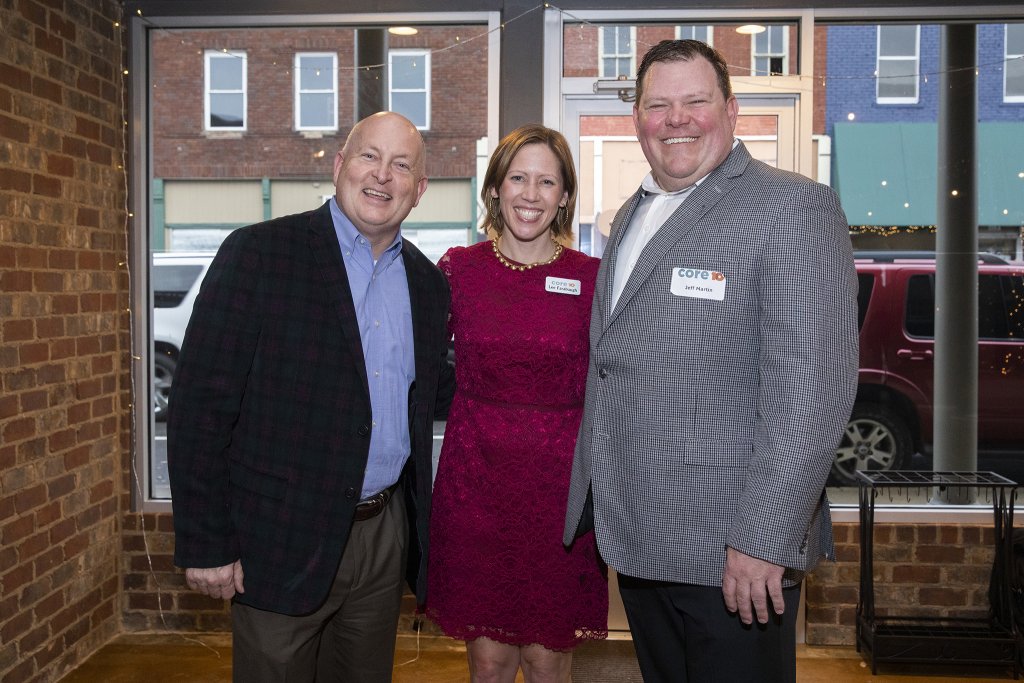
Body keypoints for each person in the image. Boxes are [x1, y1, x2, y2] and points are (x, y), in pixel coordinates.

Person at [563, 39, 859, 682]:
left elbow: (813, 390)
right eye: (658, 104)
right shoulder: (633, 214)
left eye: (695, 101)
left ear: (730, 110)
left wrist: (762, 537)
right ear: (636, 118)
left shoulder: (792, 206)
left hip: (735, 555)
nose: (677, 119)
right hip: (643, 539)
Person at [168, 111, 455, 683]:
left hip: (382, 538)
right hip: (278, 536)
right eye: (369, 156)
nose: (383, 175)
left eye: (402, 166)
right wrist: (205, 541)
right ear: (339, 164)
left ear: (420, 190)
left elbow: (427, 399)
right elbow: (200, 407)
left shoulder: (428, 284)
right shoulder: (258, 255)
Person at [427, 124, 608, 683]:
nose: (531, 194)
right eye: (519, 178)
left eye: (547, 182)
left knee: (548, 662)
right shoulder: (459, 270)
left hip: (558, 495)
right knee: (488, 664)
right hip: (475, 485)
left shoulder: (593, 279)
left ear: (564, 196)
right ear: (495, 189)